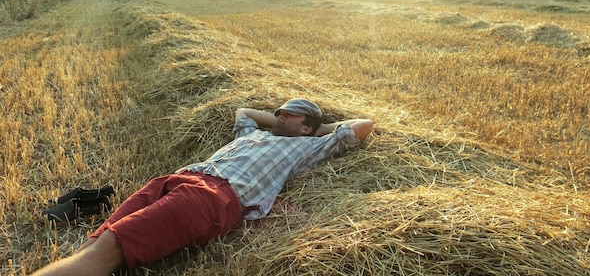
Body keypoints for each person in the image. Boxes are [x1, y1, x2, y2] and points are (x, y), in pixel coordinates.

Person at [32, 98, 374, 276]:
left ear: (307, 127)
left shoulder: (305, 147)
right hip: (174, 180)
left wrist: (319, 129)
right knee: (98, 243)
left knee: (104, 253)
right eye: (278, 111)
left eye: (290, 114)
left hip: (212, 196)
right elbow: (243, 111)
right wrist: (282, 119)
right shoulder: (252, 134)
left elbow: (362, 126)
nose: (279, 116)